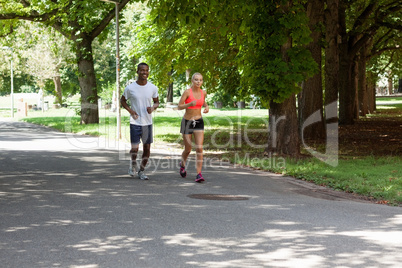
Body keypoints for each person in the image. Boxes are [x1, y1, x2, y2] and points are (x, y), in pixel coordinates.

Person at [121, 63, 159, 180]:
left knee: (147, 148)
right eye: (142, 70)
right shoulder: (130, 88)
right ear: (137, 71)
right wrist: (131, 111)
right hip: (135, 122)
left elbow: (157, 102)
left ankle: (141, 171)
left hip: (147, 123)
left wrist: (152, 108)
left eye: (146, 70)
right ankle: (133, 164)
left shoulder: (153, 88)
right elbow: (123, 101)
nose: (144, 72)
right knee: (135, 148)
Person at [177, 72, 209, 182]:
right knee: (188, 149)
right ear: (192, 80)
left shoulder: (203, 92)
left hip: (199, 121)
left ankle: (199, 174)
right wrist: (189, 104)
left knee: (199, 148)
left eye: (200, 80)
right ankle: (182, 164)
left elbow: (203, 101)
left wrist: (206, 106)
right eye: (196, 79)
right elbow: (179, 106)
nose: (198, 81)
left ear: (202, 81)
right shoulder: (187, 92)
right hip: (187, 122)